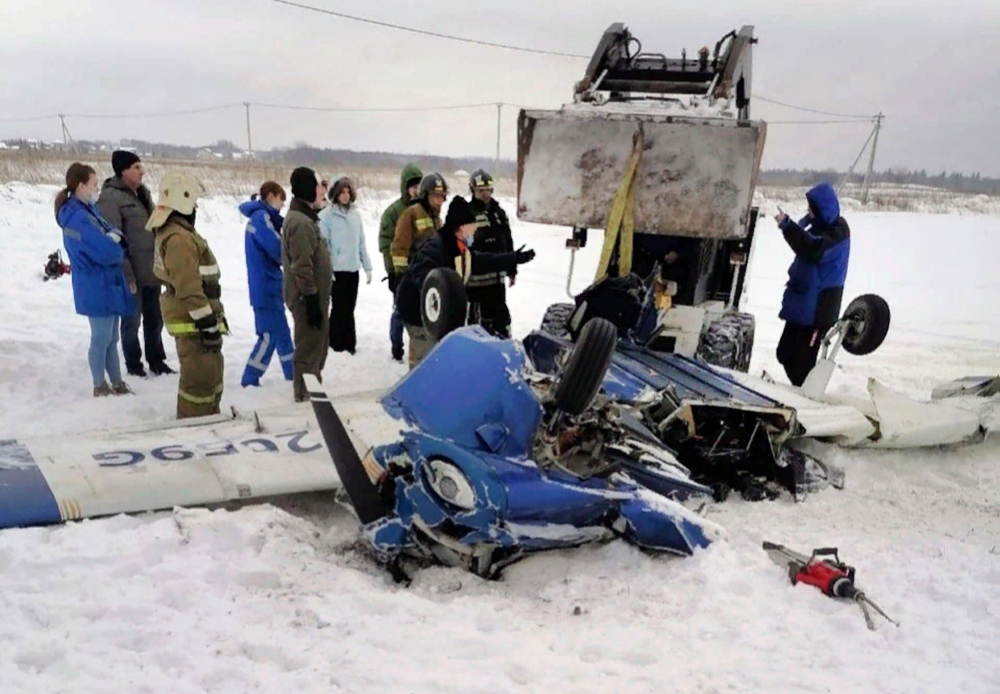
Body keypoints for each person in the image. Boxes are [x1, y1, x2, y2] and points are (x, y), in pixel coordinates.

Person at [397, 196, 536, 367]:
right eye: (472, 225)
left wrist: (513, 258)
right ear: (461, 227)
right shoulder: (436, 249)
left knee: (439, 356)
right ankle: (419, 389)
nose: (475, 229)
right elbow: (423, 278)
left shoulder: (460, 248)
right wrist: (439, 292)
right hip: (417, 312)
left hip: (437, 315)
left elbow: (482, 261)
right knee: (427, 360)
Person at [148, 171, 227, 418]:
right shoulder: (179, 239)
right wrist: (207, 324)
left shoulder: (177, 232)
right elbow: (189, 288)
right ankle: (194, 427)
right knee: (199, 381)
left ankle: (207, 418)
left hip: (196, 318)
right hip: (193, 321)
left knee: (208, 376)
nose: (195, 208)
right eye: (193, 203)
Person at [55, 162, 135, 397]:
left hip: (105, 282)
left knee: (111, 337)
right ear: (81, 186)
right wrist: (116, 247)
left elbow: (114, 234)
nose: (97, 189)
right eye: (94, 184)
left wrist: (115, 240)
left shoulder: (88, 212)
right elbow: (106, 251)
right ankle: (99, 385)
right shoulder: (77, 218)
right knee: (101, 337)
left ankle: (117, 382)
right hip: (94, 284)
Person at [98, 150, 174, 377]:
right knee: (131, 322)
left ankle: (157, 360)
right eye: (137, 167)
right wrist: (127, 274)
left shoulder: (143, 193)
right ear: (123, 171)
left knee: (155, 320)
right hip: (130, 273)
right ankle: (134, 364)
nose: (142, 172)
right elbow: (114, 240)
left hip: (151, 269)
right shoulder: (110, 198)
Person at [774, 182, 851, 386]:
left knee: (801, 366)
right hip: (802, 305)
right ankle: (798, 393)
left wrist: (788, 226)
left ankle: (805, 400)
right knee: (784, 353)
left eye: (811, 208)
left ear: (821, 210)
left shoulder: (838, 233)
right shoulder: (819, 226)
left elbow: (812, 249)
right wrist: (802, 221)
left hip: (818, 309)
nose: (808, 212)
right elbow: (803, 238)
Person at [283, 167, 332, 402]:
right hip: (306, 299)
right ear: (307, 190)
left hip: (313, 297)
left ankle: (313, 396)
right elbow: (301, 267)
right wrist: (311, 299)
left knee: (317, 348)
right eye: (317, 186)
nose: (322, 190)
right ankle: (306, 401)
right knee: (308, 352)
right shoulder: (300, 223)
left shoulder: (307, 218)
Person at [240, 181, 293, 387]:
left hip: (271, 284)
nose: (282, 205)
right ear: (271, 195)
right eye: (281, 200)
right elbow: (278, 250)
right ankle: (250, 378)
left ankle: (293, 373)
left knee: (283, 334)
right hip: (265, 286)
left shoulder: (266, 218)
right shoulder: (260, 219)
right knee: (268, 336)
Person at [319, 177, 372, 354]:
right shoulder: (327, 216)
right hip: (336, 270)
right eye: (342, 192)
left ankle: (349, 344)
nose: (346, 195)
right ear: (335, 194)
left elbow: (361, 242)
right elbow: (323, 245)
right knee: (339, 308)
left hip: (352, 269)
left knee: (350, 308)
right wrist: (328, 269)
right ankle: (335, 343)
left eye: (348, 192)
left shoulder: (355, 215)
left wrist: (367, 266)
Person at [379, 163, 423, 362]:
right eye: (412, 186)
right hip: (401, 271)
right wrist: (393, 272)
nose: (416, 190)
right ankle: (397, 347)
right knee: (400, 312)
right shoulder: (393, 212)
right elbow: (386, 243)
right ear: (405, 187)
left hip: (422, 270)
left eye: (419, 186)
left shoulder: (425, 210)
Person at [466, 169, 516, 338]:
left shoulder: (498, 212)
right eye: (481, 191)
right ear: (472, 190)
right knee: (480, 322)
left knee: (501, 318)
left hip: (497, 279)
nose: (486, 194)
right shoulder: (467, 214)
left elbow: (507, 241)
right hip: (477, 282)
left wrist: (511, 268)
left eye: (488, 190)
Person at [390, 172, 447, 274]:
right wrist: (402, 275)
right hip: (415, 273)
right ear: (426, 195)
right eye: (436, 196)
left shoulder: (436, 218)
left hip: (431, 273)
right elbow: (400, 248)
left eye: (442, 196)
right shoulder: (411, 214)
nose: (440, 200)